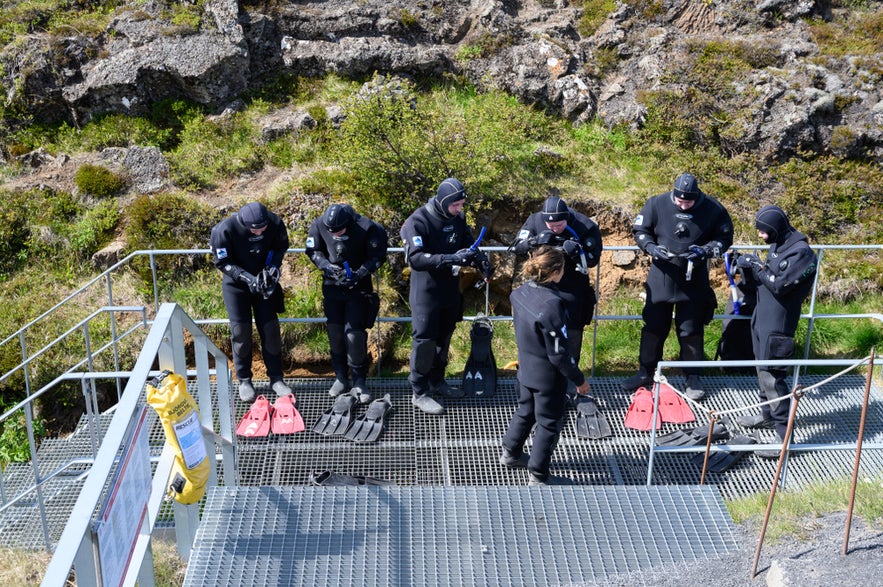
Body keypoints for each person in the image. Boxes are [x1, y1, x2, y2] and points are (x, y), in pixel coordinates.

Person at [622, 172, 733, 400]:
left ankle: (693, 377)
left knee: (691, 330)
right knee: (653, 327)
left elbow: (724, 239)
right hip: (661, 276)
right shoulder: (656, 203)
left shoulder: (713, 208)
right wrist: (651, 248)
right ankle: (645, 372)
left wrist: (707, 250)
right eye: (679, 201)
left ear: (697, 197)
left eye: (688, 202)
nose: (683, 206)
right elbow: (640, 231)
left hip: (694, 280)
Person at [400, 177, 492, 415]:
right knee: (425, 342)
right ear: (443, 202)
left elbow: (469, 245)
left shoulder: (458, 219)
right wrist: (450, 258)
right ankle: (419, 391)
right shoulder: (417, 222)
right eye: (455, 205)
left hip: (450, 290)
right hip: (426, 293)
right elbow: (416, 259)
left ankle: (437, 381)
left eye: (461, 205)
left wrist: (482, 263)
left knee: (444, 338)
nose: (459, 209)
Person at [501, 246, 591, 485]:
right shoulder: (552, 304)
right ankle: (539, 475)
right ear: (554, 272)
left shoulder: (519, 293)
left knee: (525, 410)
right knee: (549, 423)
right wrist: (579, 380)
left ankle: (510, 453)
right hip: (547, 378)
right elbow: (559, 353)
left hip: (526, 368)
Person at [734, 205, 817, 457]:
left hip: (779, 323)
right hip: (763, 317)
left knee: (773, 377)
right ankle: (767, 415)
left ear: (775, 229)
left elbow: (779, 285)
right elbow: (766, 278)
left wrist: (757, 266)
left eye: (763, 231)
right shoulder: (778, 243)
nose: (760, 235)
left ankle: (784, 440)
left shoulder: (802, 253)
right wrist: (747, 267)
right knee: (762, 369)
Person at [511, 195, 602, 400]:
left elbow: (594, 258)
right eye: (550, 224)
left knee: (571, 337)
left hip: (572, 291)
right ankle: (531, 382)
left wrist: (577, 252)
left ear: (567, 219)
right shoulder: (534, 221)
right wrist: (535, 241)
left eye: (559, 224)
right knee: (536, 339)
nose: (554, 228)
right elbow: (517, 247)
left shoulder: (584, 225)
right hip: (541, 288)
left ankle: (570, 386)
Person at [306, 203, 388, 404]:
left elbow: (378, 256)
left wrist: (360, 272)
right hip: (332, 287)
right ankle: (341, 377)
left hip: (359, 289)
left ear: (349, 224)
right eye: (331, 232)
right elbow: (313, 251)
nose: (335, 235)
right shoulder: (318, 226)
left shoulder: (368, 227)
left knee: (354, 335)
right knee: (335, 333)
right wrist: (326, 266)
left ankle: (359, 379)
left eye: (339, 231)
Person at [210, 201, 291, 402]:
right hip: (237, 286)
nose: (260, 233)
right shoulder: (224, 230)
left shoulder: (274, 222)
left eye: (263, 228)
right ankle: (244, 379)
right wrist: (247, 278)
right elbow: (222, 262)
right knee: (241, 333)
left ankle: (276, 378)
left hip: (264, 282)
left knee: (270, 329)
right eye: (255, 230)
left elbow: (280, 247)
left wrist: (273, 269)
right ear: (245, 225)